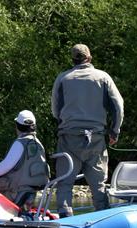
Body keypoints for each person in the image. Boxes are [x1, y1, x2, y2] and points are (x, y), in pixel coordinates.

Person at [51, 44, 124, 217]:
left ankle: (65, 220)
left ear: (72, 59)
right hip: (96, 140)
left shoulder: (63, 78)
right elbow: (118, 107)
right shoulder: (103, 77)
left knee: (64, 183)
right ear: (89, 58)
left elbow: (55, 110)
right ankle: (104, 221)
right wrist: (114, 131)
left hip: (68, 139)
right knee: (98, 185)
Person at [0, 110, 50, 211]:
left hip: (16, 193)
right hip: (36, 194)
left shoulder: (20, 143)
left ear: (17, 126)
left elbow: (5, 166)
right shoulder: (39, 144)